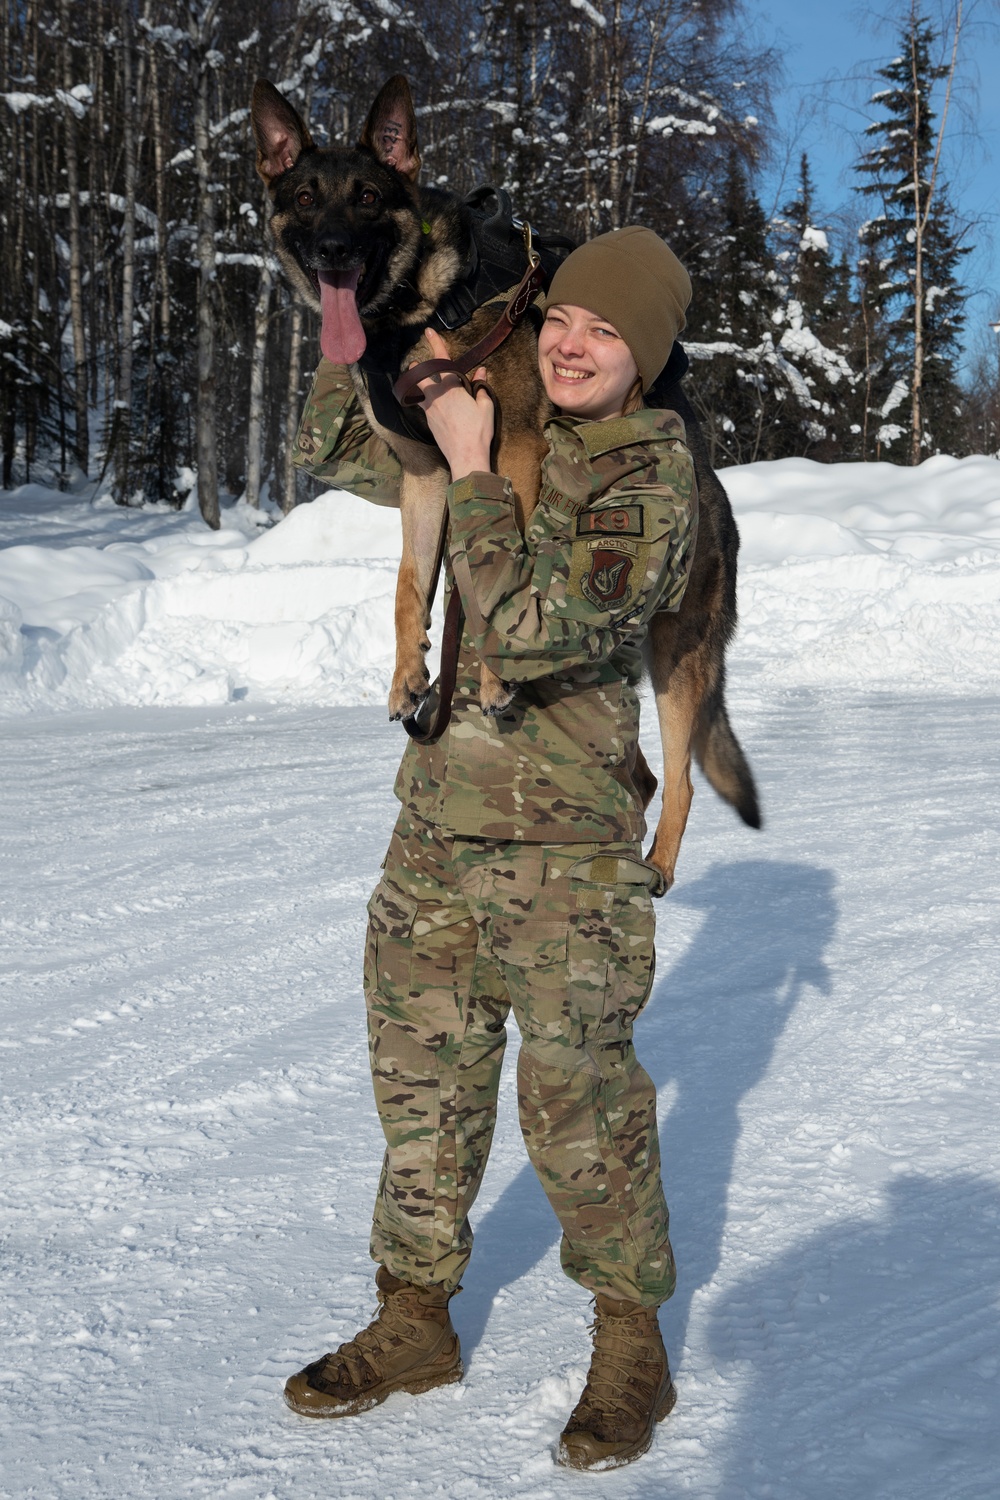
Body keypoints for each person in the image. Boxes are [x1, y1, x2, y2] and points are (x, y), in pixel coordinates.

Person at [284, 226, 697, 1470]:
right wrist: (345, 311)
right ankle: (415, 1317)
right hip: (433, 832)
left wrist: (470, 465)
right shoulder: (487, 403)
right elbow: (333, 446)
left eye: (607, 333)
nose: (573, 346)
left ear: (648, 359)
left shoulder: (648, 478)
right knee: (422, 1096)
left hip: (564, 852)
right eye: (563, 319)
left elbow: (524, 632)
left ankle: (631, 1343)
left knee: (577, 1105)